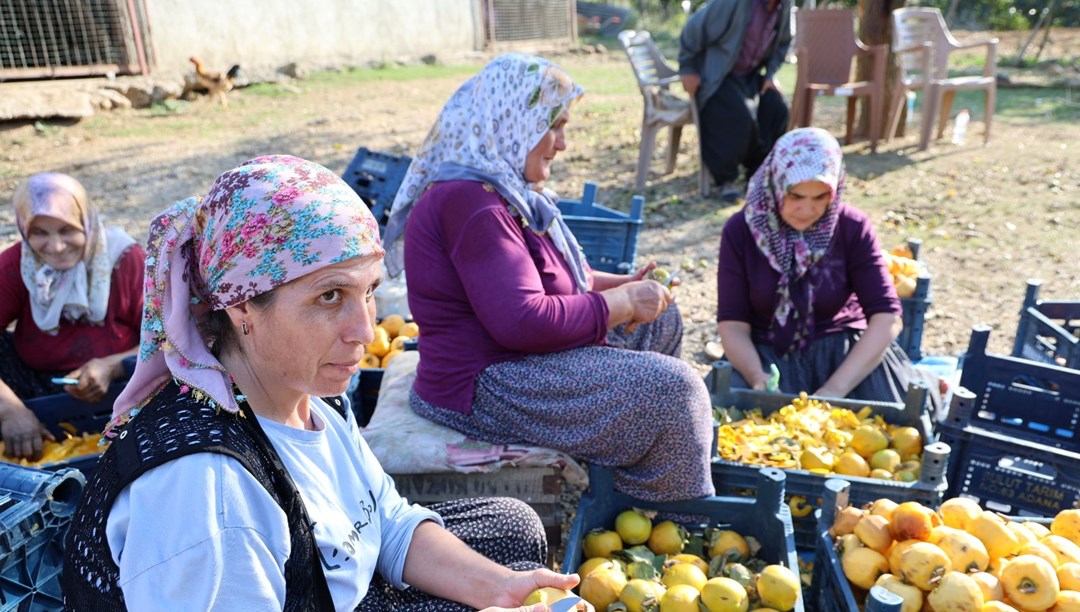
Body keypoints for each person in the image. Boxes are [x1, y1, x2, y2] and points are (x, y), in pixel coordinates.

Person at [62, 155, 590, 612]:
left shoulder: (313, 395)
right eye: (329, 296)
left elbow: (387, 521)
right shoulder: (210, 499)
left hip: (325, 590)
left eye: (369, 292)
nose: (364, 330)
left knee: (513, 529)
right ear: (242, 303)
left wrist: (501, 590)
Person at [381, 53, 716, 503]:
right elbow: (523, 320)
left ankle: (628, 474)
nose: (561, 144)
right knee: (675, 389)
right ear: (512, 121)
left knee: (661, 322)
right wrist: (622, 303)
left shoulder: (500, 191)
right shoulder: (471, 203)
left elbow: (548, 281)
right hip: (485, 383)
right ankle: (666, 516)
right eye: (553, 126)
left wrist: (623, 288)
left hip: (519, 360)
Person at [716, 127, 926, 404]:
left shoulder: (852, 227)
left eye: (820, 198)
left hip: (843, 353)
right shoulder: (741, 230)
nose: (807, 210)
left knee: (891, 427)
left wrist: (834, 391)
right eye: (796, 196)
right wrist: (757, 377)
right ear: (775, 186)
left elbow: (887, 317)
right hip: (765, 353)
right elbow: (732, 324)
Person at [0, 173, 143, 460]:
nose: (55, 246)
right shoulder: (19, 264)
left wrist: (112, 365)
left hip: (123, 387)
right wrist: (9, 410)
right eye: (39, 232)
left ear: (87, 223)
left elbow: (172, 341)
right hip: (36, 385)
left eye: (67, 230)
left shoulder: (126, 260)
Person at [678, 0, 793, 202]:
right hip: (719, 77)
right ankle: (725, 180)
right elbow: (693, 30)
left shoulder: (784, 6)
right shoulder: (733, 3)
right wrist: (688, 69)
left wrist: (770, 74)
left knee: (777, 109)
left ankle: (758, 176)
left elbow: (783, 42)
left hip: (751, 76)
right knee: (739, 116)